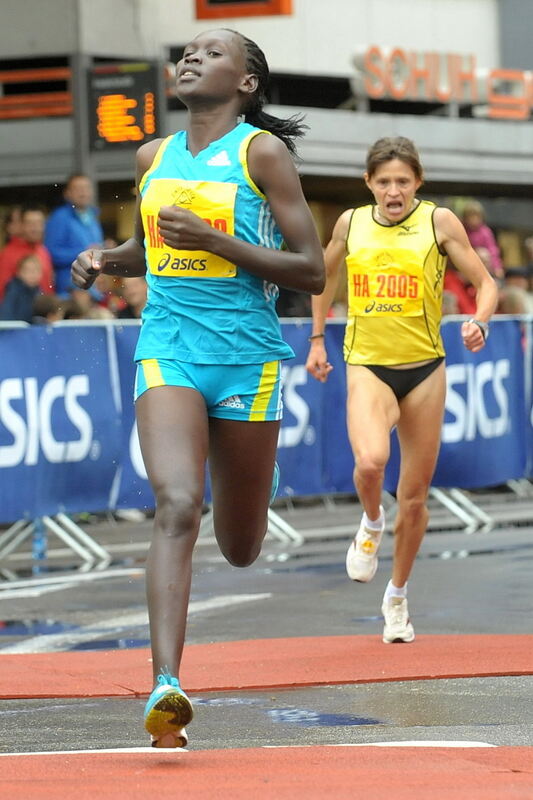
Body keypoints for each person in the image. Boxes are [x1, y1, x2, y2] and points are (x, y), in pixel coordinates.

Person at [71, 28, 324, 748]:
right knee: (176, 502)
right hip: (169, 347)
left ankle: (251, 477)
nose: (190, 58)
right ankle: (166, 687)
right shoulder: (153, 156)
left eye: (213, 53)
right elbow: (146, 250)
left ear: (246, 83)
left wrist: (215, 241)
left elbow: (309, 270)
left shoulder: (260, 153)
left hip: (246, 360)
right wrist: (102, 259)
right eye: (187, 52)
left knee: (240, 545)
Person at [306, 136, 497, 646]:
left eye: (403, 182)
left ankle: (396, 596)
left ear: (418, 182)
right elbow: (324, 279)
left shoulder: (439, 223)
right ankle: (371, 523)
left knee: (413, 499)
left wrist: (479, 320)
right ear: (368, 183)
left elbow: (486, 282)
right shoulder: (351, 222)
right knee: (370, 462)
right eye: (384, 182)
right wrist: (318, 339)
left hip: (425, 371)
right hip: (367, 364)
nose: (393, 191)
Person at [45, 173, 106, 296]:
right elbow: (51, 253)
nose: (83, 192)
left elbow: (95, 249)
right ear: (67, 193)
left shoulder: (93, 216)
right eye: (78, 188)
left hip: (94, 288)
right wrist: (84, 252)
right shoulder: (59, 217)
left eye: (86, 188)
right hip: (70, 291)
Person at [0, 205, 55, 301]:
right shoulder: (7, 255)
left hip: (45, 311)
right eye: (30, 224)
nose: (36, 229)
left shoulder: (43, 250)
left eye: (39, 223)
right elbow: (2, 294)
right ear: (21, 226)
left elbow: (49, 287)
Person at [0, 253, 43, 322]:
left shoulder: (40, 292)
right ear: (19, 273)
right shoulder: (13, 291)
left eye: (36, 270)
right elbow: (6, 316)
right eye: (29, 271)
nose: (33, 274)